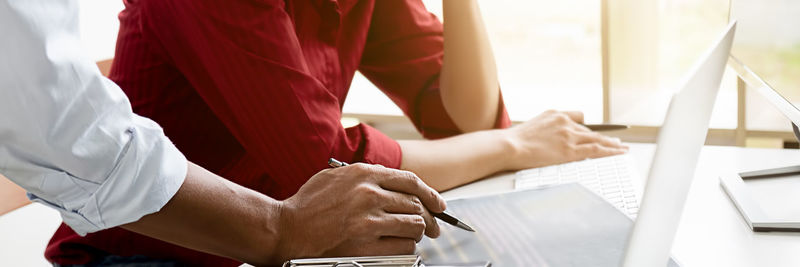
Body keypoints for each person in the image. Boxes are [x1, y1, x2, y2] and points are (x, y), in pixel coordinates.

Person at [45, 0, 629, 265]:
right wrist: (515, 146)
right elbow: (329, 165)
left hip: (277, 242)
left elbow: (464, 121)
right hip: (156, 256)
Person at [0, 0, 447, 266]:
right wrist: (509, 147)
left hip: (251, 251)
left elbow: (454, 112)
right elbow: (328, 165)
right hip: (145, 256)